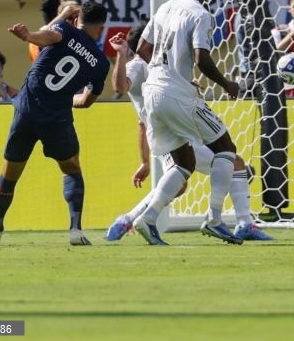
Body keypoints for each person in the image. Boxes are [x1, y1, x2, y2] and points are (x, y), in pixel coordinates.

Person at [105, 24, 274, 242]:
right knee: (227, 163)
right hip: (170, 134)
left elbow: (141, 122)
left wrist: (145, 162)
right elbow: (121, 87)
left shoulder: (161, 69)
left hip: (176, 132)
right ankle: (238, 223)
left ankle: (127, 220)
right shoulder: (138, 67)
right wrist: (120, 55)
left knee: (191, 180)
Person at [130, 0, 243, 246]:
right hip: (177, 94)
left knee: (183, 163)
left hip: (152, 92)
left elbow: (142, 48)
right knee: (226, 149)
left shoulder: (165, 7)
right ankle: (215, 219)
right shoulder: (201, 13)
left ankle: (147, 218)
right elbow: (201, 58)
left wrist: (161, 71)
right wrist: (226, 84)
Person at [0, 2, 111, 246]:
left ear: (77, 19)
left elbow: (49, 35)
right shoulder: (100, 63)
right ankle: (75, 230)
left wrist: (30, 35)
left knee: (10, 173)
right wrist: (66, 97)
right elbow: (86, 102)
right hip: (57, 118)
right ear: (102, 27)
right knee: (71, 168)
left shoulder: (65, 29)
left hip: (27, 111)